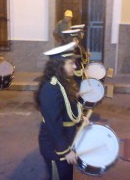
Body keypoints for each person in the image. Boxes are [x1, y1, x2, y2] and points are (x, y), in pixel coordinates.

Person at [35, 42, 89, 180]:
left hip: (66, 138)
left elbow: (67, 108)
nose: (75, 66)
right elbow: (53, 123)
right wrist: (65, 151)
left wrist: (81, 119)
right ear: (60, 65)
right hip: (55, 147)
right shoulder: (51, 89)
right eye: (71, 63)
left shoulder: (63, 82)